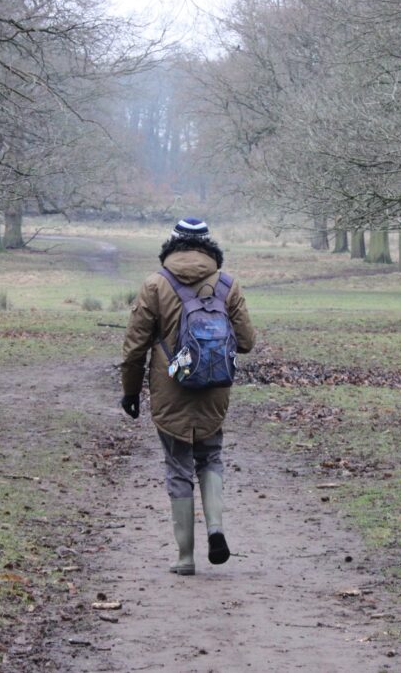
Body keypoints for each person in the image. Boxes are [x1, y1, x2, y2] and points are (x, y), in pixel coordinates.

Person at [120, 217, 256, 575]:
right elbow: (246, 342)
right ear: (208, 245)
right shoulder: (228, 284)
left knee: (178, 465)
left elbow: (134, 348)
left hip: (170, 390)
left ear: (173, 243)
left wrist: (131, 392)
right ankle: (216, 528)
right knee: (210, 458)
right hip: (214, 388)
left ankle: (184, 558)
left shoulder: (155, 284)